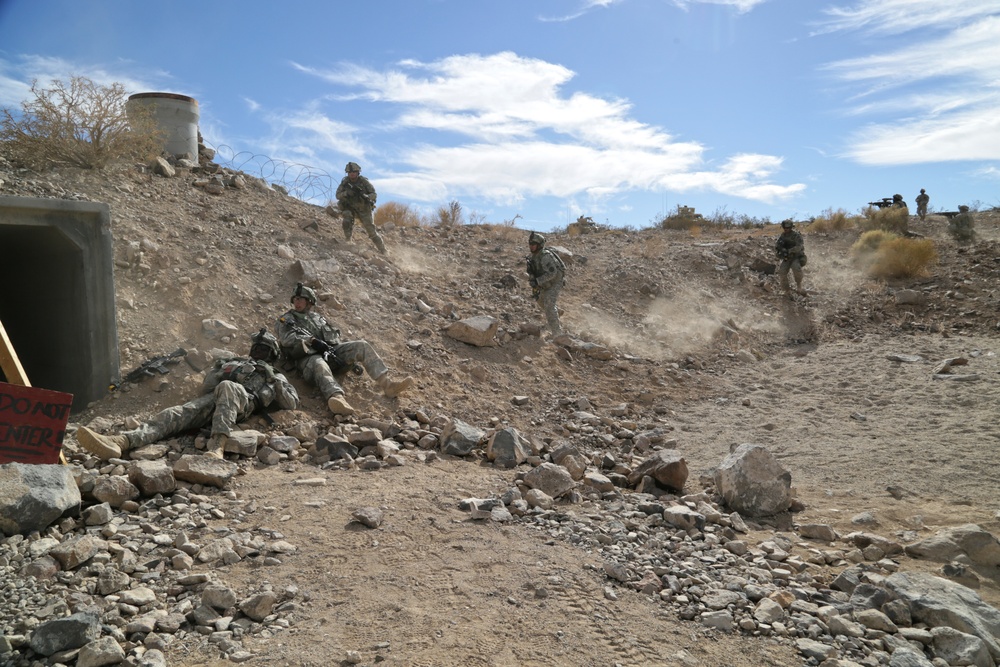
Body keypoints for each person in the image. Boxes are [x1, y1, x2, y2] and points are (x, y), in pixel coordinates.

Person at [77, 329, 299, 461]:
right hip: (214, 400)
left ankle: (217, 446)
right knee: (176, 413)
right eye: (256, 348)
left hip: (245, 403)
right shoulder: (236, 362)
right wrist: (221, 370)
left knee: (229, 388)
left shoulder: (274, 374)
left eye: (264, 349)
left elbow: (291, 403)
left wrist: (274, 379)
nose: (258, 351)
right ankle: (121, 441)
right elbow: (207, 387)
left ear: (272, 354)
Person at [275, 283, 413, 416]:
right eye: (296, 299)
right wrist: (310, 341)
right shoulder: (286, 319)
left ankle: (388, 385)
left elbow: (334, 339)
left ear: (310, 302)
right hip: (307, 360)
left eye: (301, 299)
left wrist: (346, 357)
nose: (297, 302)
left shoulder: (318, 318)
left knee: (361, 345)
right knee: (319, 363)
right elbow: (286, 339)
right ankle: (336, 397)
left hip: (330, 354)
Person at [331, 161, 387, 255]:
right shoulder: (345, 182)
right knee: (346, 217)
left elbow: (374, 194)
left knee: (371, 231)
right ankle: (348, 240)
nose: (352, 174)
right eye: (350, 172)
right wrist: (347, 194)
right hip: (350, 207)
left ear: (358, 172)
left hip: (364, 209)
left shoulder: (364, 182)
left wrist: (367, 197)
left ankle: (383, 250)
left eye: (354, 172)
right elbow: (337, 195)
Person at [525, 231, 566, 335]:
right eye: (530, 244)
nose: (531, 246)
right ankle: (556, 312)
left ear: (539, 245)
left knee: (548, 305)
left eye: (533, 244)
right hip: (544, 283)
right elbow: (533, 271)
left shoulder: (545, 256)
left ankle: (557, 333)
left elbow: (553, 273)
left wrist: (537, 281)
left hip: (555, 281)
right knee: (539, 300)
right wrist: (532, 280)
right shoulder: (533, 257)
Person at [774, 219, 807, 298]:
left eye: (788, 228)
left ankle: (799, 286)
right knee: (782, 272)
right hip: (787, 258)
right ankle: (786, 291)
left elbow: (799, 246)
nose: (786, 229)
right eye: (785, 228)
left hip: (795, 256)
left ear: (791, 227)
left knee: (796, 269)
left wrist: (790, 250)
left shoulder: (796, 235)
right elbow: (777, 245)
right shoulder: (782, 236)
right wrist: (781, 250)